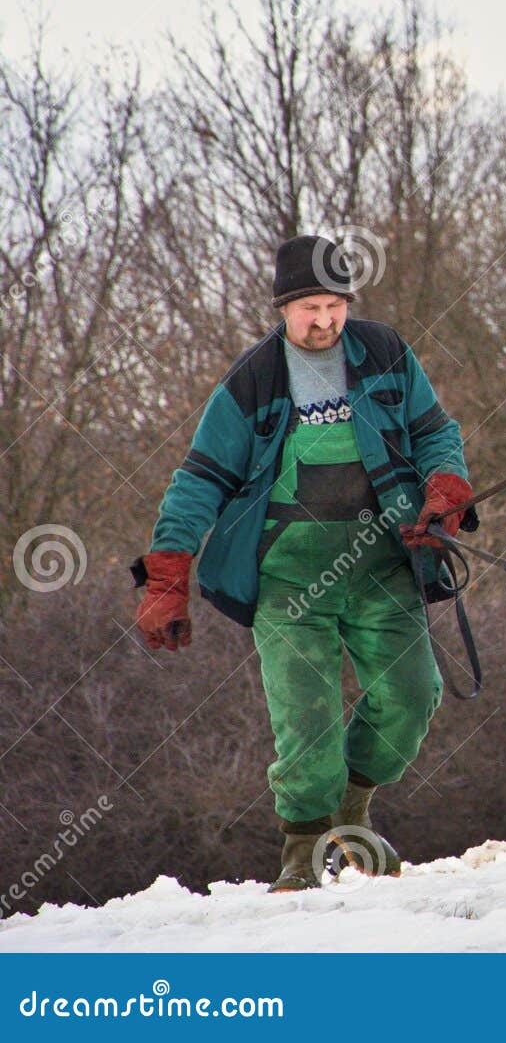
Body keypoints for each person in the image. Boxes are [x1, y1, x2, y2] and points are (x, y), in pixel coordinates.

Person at [129, 235, 476, 891]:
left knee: (412, 697)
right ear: (283, 308)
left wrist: (446, 482)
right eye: (309, 307)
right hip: (289, 576)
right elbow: (199, 479)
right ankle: (303, 853)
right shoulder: (254, 379)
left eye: (334, 305)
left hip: (384, 562)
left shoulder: (385, 352)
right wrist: (166, 576)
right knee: (306, 718)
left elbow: (435, 431)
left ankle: (354, 810)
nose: (323, 320)